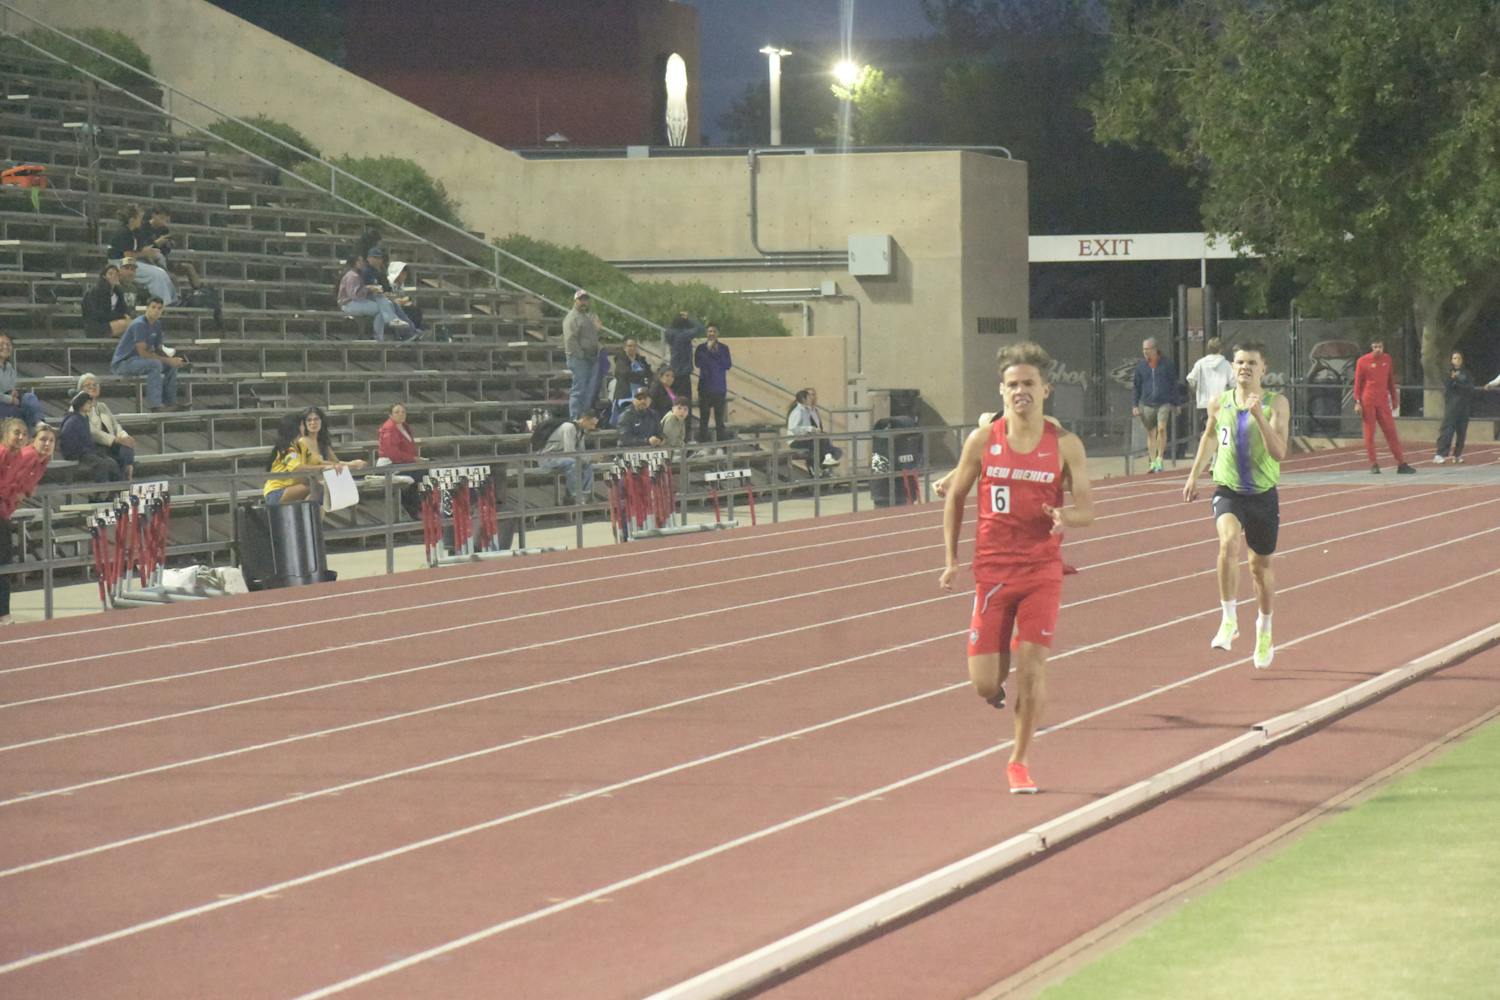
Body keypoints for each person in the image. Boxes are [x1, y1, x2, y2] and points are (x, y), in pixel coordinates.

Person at [939, 342, 1095, 795]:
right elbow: (955, 496)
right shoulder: (983, 440)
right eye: (1013, 384)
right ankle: (998, 679)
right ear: (1001, 391)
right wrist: (951, 559)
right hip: (992, 571)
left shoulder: (1065, 445)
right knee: (985, 684)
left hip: (1041, 570)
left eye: (1029, 383)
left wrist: (1066, 517)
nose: (1020, 390)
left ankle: (1019, 761)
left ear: (1046, 389)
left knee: (1032, 670)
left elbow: (1087, 510)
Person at [1182, 340, 1290, 670]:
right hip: (1229, 490)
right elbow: (1210, 437)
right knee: (1228, 542)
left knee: (1259, 568)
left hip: (1262, 495)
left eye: (1251, 363)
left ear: (1263, 369)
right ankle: (1228, 619)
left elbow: (1279, 452)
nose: (1245, 368)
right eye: (1240, 362)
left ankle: (1264, 629)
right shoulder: (1220, 402)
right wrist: (1194, 475)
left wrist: (1258, 416)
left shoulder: (1275, 404)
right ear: (1232, 367)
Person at [0, 421, 54, 625]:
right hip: (2, 510)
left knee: (4, 562)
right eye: (43, 439)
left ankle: (3, 613)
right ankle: (3, 613)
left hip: (5, 511)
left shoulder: (42, 460)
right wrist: (15, 493)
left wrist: (25, 491)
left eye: (51, 441)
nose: (47, 444)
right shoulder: (25, 455)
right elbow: (9, 482)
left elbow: (23, 484)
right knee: (4, 562)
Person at [110, 298, 184, 412]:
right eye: (153, 307)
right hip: (123, 363)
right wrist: (168, 360)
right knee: (155, 365)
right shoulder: (139, 324)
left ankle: (170, 403)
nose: (156, 310)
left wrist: (173, 360)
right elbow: (143, 352)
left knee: (171, 366)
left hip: (140, 361)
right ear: (147, 308)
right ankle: (155, 406)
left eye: (159, 308)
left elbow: (158, 349)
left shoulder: (157, 324)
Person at [1353, 337, 1415, 474]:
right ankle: (1373, 463)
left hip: (1382, 401)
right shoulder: (1362, 361)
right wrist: (1357, 401)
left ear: (1383, 347)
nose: (1378, 350)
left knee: (1391, 431)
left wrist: (1394, 398)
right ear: (1371, 347)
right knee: (1369, 433)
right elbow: (1357, 383)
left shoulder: (1387, 359)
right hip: (1368, 400)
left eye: (1380, 347)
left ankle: (1401, 463)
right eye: (1375, 347)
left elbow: (1390, 380)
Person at [105, 204, 177, 305]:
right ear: (132, 220)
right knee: (156, 275)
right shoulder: (124, 233)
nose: (141, 220)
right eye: (139, 218)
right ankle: (161, 304)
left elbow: (138, 250)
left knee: (162, 273)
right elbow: (128, 256)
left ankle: (172, 302)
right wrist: (145, 253)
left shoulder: (135, 232)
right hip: (120, 263)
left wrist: (150, 250)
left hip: (130, 261)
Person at [337, 251, 413, 342]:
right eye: (360, 261)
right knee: (382, 308)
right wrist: (369, 288)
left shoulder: (357, 274)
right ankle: (391, 320)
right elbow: (354, 295)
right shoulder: (352, 275)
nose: (362, 263)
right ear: (355, 263)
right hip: (348, 304)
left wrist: (373, 291)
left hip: (356, 303)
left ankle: (378, 337)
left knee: (383, 307)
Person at [1132, 337, 1181, 473]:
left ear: (1154, 349)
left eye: (1147, 349)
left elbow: (1173, 384)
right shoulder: (1141, 366)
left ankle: (1160, 458)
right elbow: (1136, 386)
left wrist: (1176, 403)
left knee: (1161, 428)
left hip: (1163, 402)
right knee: (1151, 432)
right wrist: (1135, 405)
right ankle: (1152, 461)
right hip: (1147, 403)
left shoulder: (1167, 364)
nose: (1145, 352)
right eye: (1143, 349)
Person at [76, 373, 136, 480]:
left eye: (95, 384)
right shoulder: (77, 407)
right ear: (80, 390)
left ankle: (128, 470)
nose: (92, 387)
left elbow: (115, 425)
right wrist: (115, 440)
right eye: (88, 385)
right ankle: (123, 482)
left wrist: (124, 436)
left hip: (110, 445)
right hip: (93, 447)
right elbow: (91, 432)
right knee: (112, 464)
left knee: (127, 446)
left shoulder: (102, 406)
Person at [59, 390, 123, 488]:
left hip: (86, 450)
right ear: (81, 404)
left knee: (112, 462)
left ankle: (116, 490)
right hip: (76, 453)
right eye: (88, 403)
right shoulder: (73, 421)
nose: (91, 405)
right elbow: (69, 443)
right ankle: (101, 491)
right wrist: (87, 451)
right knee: (101, 464)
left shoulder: (84, 418)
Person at [537, 410, 598, 504]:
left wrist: (590, 458)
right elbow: (569, 453)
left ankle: (585, 494)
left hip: (561, 458)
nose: (593, 427)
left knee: (588, 464)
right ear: (584, 419)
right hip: (548, 458)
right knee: (573, 463)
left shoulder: (581, 431)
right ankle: (574, 495)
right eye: (591, 424)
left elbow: (581, 453)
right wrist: (590, 457)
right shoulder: (569, 427)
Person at [377, 401, 424, 518]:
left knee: (425, 470)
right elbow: (392, 453)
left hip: (402, 463)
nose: (401, 414)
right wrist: (412, 459)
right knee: (421, 473)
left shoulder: (404, 427)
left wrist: (415, 459)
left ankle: (420, 508)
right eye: (397, 412)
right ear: (390, 415)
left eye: (403, 412)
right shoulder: (389, 428)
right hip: (389, 465)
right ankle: (416, 509)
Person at [363, 247, 423, 336]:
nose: (378, 260)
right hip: (370, 299)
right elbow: (365, 289)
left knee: (411, 309)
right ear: (368, 258)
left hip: (384, 299)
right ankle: (407, 333)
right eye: (375, 257)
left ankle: (411, 331)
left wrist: (389, 294)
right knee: (395, 306)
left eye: (379, 258)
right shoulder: (366, 272)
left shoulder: (381, 273)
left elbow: (388, 289)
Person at [142, 206, 203, 291]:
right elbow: (142, 250)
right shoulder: (144, 228)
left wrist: (168, 244)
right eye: (162, 218)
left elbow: (166, 251)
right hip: (150, 261)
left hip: (164, 260)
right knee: (172, 277)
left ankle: (198, 291)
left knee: (189, 267)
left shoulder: (164, 230)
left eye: (166, 220)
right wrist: (156, 243)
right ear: (154, 215)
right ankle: (175, 297)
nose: (164, 222)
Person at [563, 289, 602, 419]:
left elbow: (591, 336)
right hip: (578, 358)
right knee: (579, 389)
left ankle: (584, 417)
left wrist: (597, 328)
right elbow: (570, 340)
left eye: (585, 299)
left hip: (591, 357)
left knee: (589, 390)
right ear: (575, 301)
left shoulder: (588, 316)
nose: (584, 302)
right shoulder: (571, 317)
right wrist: (581, 355)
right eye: (581, 299)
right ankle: (575, 417)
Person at [786, 387, 843, 474]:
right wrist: (810, 429)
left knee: (837, 451)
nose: (811, 398)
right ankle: (817, 467)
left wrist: (816, 431)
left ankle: (823, 464)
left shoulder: (810, 410)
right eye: (809, 397)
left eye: (813, 395)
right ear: (804, 399)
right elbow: (794, 429)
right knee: (818, 442)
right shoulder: (797, 411)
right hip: (796, 440)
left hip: (808, 438)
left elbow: (817, 426)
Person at [664, 311, 703, 435]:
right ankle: (685, 435)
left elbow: (668, 328)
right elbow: (700, 328)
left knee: (674, 405)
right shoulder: (683, 335)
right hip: (683, 376)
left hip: (673, 375)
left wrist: (677, 318)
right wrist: (689, 318)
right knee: (685, 406)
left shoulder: (670, 333)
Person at [1185, 337, 1233, 436]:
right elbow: (1234, 383)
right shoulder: (1226, 365)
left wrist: (1196, 393)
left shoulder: (1200, 363)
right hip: (1221, 403)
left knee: (1205, 433)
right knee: (1222, 430)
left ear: (1208, 348)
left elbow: (1190, 379)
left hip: (1203, 403)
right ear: (1221, 349)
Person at [1432, 351, 1474, 464]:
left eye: (1459, 358)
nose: (1457, 360)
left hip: (1464, 407)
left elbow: (1469, 387)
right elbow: (1448, 386)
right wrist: (1453, 380)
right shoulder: (1448, 373)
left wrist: (1458, 383)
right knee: (1447, 430)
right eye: (1455, 358)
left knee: (1462, 432)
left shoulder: (1466, 373)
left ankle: (1457, 454)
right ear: (1451, 360)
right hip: (1452, 407)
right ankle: (1440, 454)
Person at [695, 324, 733, 443]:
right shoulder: (701, 348)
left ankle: (721, 445)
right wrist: (708, 350)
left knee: (719, 420)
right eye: (709, 331)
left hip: (719, 388)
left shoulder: (724, 348)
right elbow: (698, 363)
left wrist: (715, 352)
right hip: (705, 388)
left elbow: (727, 364)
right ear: (706, 333)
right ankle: (703, 444)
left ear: (718, 333)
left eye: (714, 331)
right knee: (704, 419)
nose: (711, 333)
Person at [0, 332, 44, 429]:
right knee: (19, 413)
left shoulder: (9, 368)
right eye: (1, 344)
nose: (5, 347)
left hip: (8, 401)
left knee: (29, 397)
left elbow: (10, 388)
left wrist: (13, 393)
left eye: (8, 344)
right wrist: (11, 399)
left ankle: (39, 423)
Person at [81, 264, 132, 339]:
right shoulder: (94, 292)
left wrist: (126, 315)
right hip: (97, 327)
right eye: (110, 274)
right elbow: (97, 314)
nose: (114, 276)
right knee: (128, 324)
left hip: (113, 323)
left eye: (116, 274)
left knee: (135, 324)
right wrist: (119, 316)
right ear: (104, 276)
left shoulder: (118, 293)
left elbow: (124, 309)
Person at [612, 338, 654, 408]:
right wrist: (641, 376)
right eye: (629, 346)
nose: (632, 348)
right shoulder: (620, 360)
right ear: (624, 348)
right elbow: (625, 374)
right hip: (625, 395)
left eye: (634, 346)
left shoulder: (642, 360)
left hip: (642, 394)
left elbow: (650, 374)